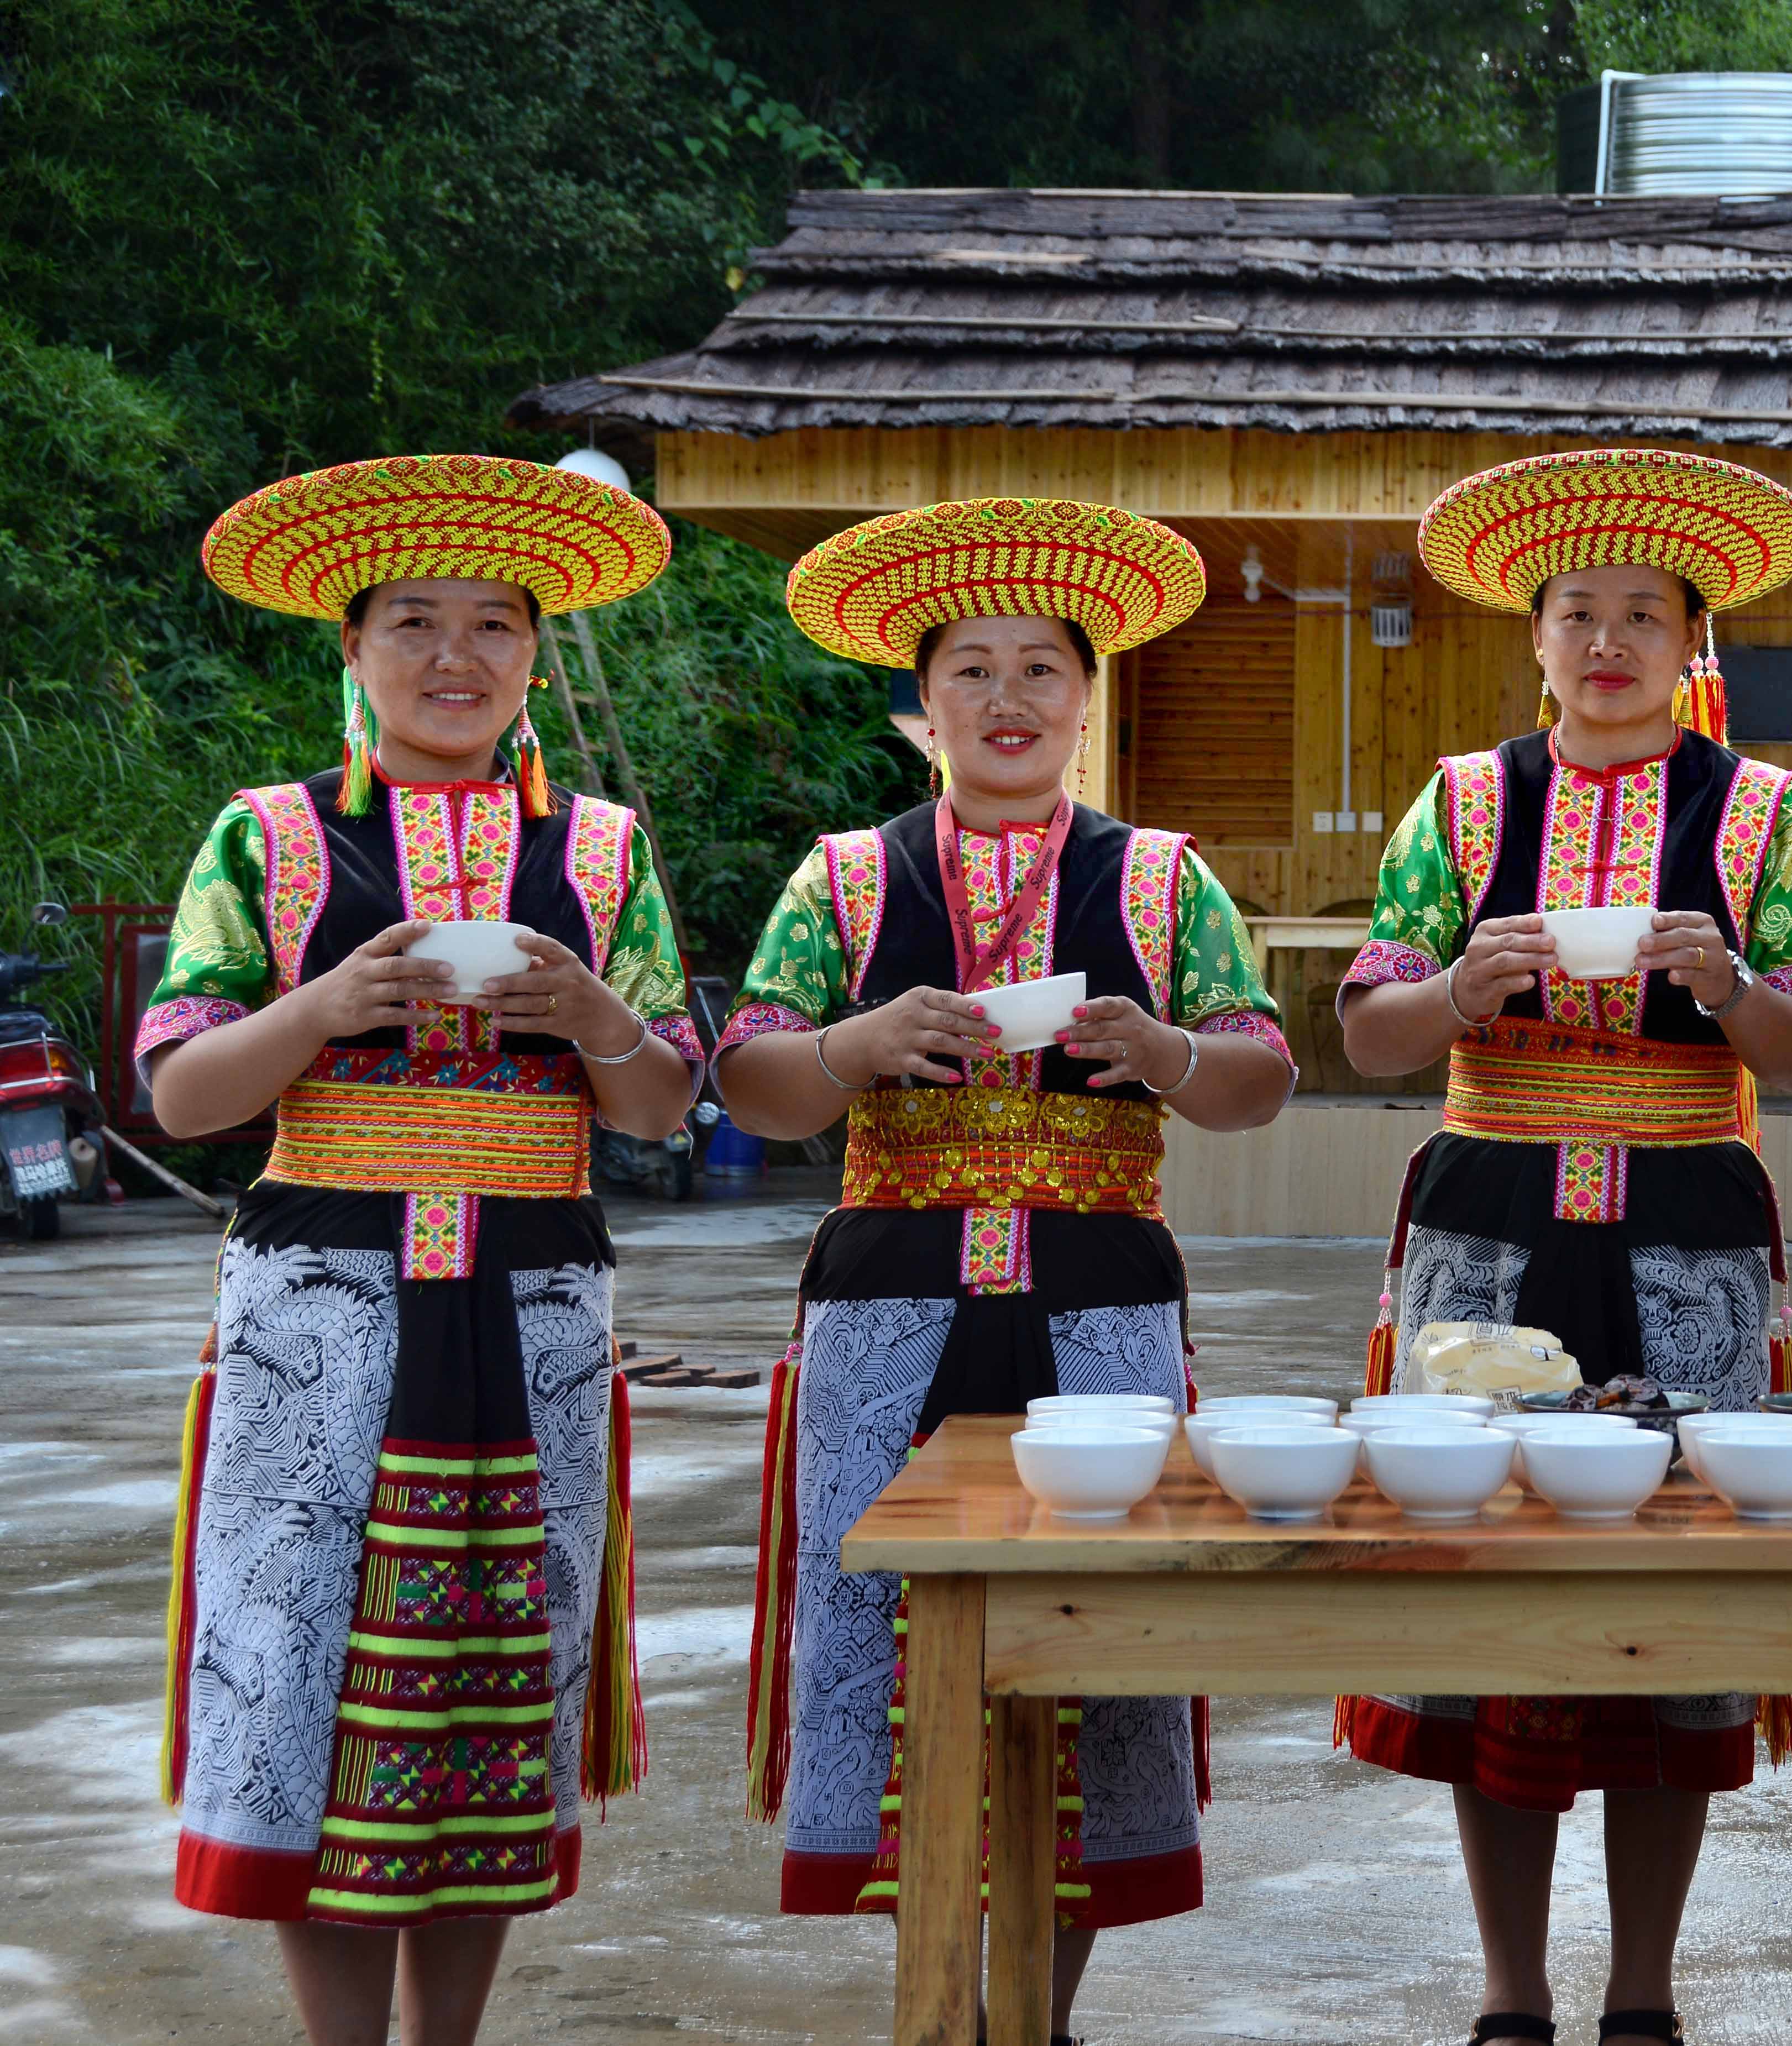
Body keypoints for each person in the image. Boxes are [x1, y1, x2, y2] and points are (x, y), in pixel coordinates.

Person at [713, 496, 1295, 2046]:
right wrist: (854, 1046)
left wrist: (1162, 1050)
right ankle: (940, 2007)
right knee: (890, 1631)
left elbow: (1258, 1078)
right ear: (925, 704)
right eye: (971, 669)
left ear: (1088, 699)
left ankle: (1038, 2014)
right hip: (889, 1291)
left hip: (1099, 1295)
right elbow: (753, 1081)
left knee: (1095, 1636)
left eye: (1043, 667)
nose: (1009, 697)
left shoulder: (1164, 879)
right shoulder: (846, 879)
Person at [144, 455, 699, 2046]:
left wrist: (592, 1017)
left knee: (492, 1677)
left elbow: (664, 1105)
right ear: (353, 649)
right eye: (414, 623)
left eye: (494, 625)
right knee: (305, 1668)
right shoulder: (269, 839)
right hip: (320, 1304)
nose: (456, 657)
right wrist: (323, 1009)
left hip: (532, 1302)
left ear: (533, 657)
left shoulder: (600, 850)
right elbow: (181, 1094)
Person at [1333, 448, 1792, 2046]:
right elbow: (1368, 1033)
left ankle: (1645, 1990)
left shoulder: (1763, 811)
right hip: (1489, 1212)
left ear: (1693, 641)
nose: (1609, 641)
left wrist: (1729, 990)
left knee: (1675, 1592)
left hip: (1687, 1212)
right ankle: (1511, 1991)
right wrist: (1458, 993)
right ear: (1536, 637)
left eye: (1644, 614)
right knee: (1486, 1586)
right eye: (1579, 612)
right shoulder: (1462, 801)